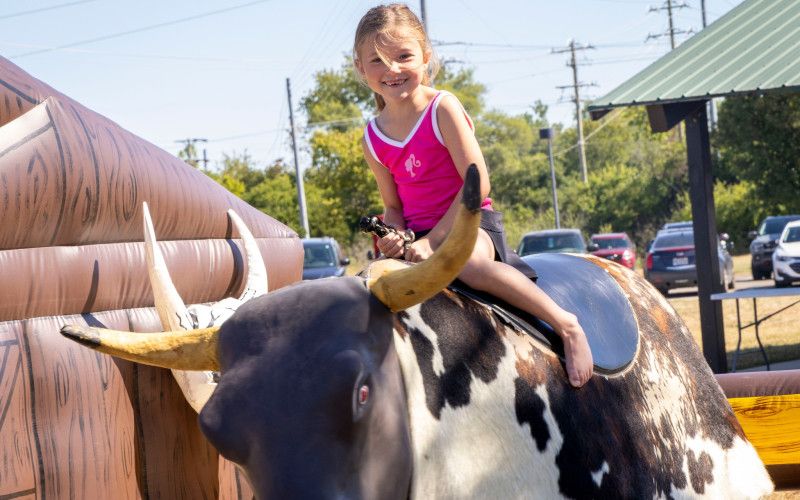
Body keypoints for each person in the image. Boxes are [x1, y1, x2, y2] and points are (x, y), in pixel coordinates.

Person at [353, 4, 593, 387]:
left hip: (471, 225)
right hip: (420, 241)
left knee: (467, 266)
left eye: (403, 56)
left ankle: (566, 325)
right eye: (378, 61)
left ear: (426, 57)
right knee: (369, 287)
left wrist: (434, 241)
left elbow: (477, 182)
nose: (392, 70)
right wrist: (391, 236)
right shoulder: (372, 138)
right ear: (361, 69)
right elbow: (394, 208)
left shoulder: (441, 108)